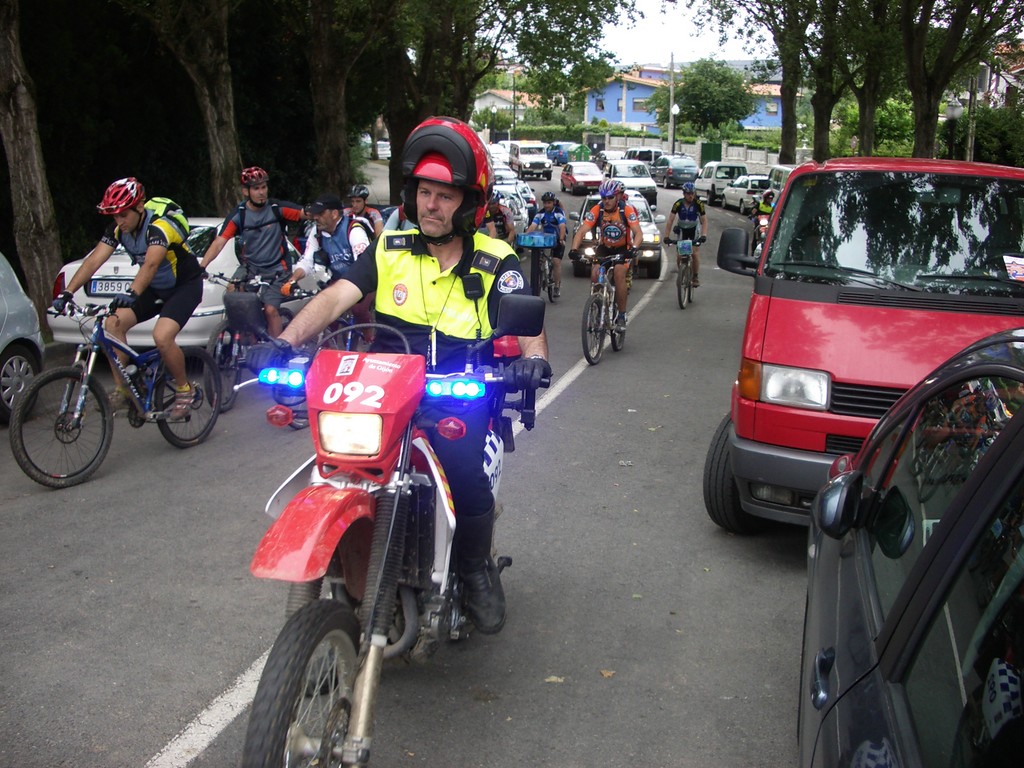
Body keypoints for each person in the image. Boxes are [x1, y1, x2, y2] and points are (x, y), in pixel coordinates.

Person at [250, 116, 551, 635]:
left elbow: (528, 327)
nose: (432, 205)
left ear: (469, 204)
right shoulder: (388, 249)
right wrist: (285, 342)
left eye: (446, 196)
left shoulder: (495, 258)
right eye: (425, 193)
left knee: (465, 476)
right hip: (383, 392)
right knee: (336, 463)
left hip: (458, 393)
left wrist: (534, 361)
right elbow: (336, 297)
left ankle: (474, 568)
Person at [51, 177, 202, 420]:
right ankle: (125, 389)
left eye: (124, 215)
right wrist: (67, 292)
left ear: (139, 207)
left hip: (185, 286)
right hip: (155, 288)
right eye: (115, 216)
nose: (119, 221)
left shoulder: (159, 227)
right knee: (113, 324)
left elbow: (151, 264)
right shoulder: (117, 231)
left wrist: (132, 293)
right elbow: (93, 261)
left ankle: (185, 389)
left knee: (162, 337)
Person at [198, 166, 305, 338]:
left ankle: (276, 349)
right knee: (233, 293)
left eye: (264, 187)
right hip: (251, 267)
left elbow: (304, 213)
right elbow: (219, 242)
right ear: (245, 191)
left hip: (278, 268)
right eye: (256, 188)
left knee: (270, 310)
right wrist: (202, 266)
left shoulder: (276, 208)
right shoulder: (239, 215)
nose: (261, 192)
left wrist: (322, 212)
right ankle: (249, 342)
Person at [288, 192, 374, 328]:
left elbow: (363, 265)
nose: (316, 217)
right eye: (315, 214)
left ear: (334, 214)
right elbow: (307, 261)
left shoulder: (354, 229)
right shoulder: (317, 232)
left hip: (363, 279)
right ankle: (329, 340)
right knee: (324, 312)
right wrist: (293, 280)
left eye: (320, 214)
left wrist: (348, 290)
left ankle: (369, 336)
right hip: (338, 280)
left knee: (358, 310)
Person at [568, 179, 643, 329]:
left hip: (623, 248)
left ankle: (621, 315)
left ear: (618, 196)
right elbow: (582, 231)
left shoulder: (626, 210)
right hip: (605, 247)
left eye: (610, 197)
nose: (606, 201)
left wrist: (634, 248)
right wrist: (574, 250)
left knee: (619, 273)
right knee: (595, 274)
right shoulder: (598, 209)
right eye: (603, 198)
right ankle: (597, 305)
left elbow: (638, 233)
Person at [663, 181, 708, 287]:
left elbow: (704, 221)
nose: (691, 196)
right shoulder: (678, 204)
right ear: (684, 194)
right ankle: (682, 271)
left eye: (692, 193)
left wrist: (704, 235)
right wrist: (666, 236)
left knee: (694, 253)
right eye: (688, 194)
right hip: (682, 229)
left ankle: (695, 276)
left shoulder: (698, 204)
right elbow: (670, 220)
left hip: (694, 229)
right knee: (679, 255)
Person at [524, 191, 567, 297]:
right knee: (540, 259)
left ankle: (556, 286)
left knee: (556, 262)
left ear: (553, 203)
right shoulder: (540, 213)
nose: (547, 205)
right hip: (546, 240)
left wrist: (561, 239)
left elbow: (562, 227)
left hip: (558, 239)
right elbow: (532, 226)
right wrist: (525, 236)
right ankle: (542, 275)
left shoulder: (558, 213)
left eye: (549, 203)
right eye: (545, 203)